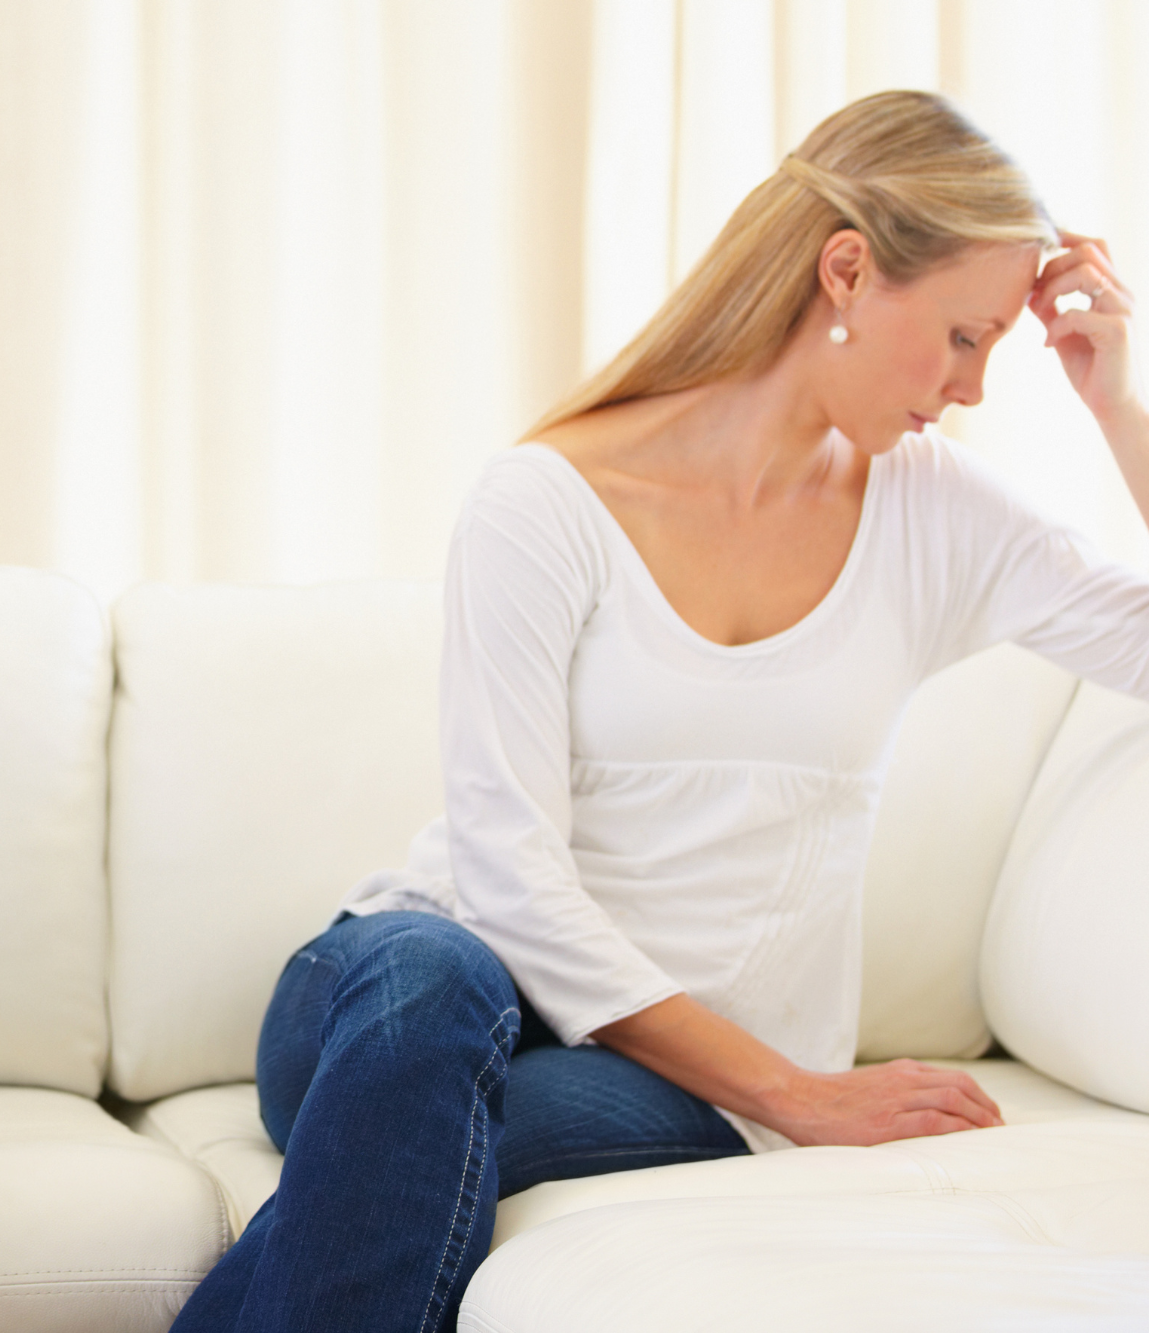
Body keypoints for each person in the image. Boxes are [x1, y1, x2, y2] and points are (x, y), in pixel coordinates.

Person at [172, 89, 1149, 1332]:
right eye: (963, 336)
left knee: (410, 1148)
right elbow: (508, 875)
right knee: (431, 992)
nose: (969, 389)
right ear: (845, 271)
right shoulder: (547, 501)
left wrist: (1117, 401)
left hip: (668, 1080)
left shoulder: (936, 518)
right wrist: (801, 1098)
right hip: (404, 989)